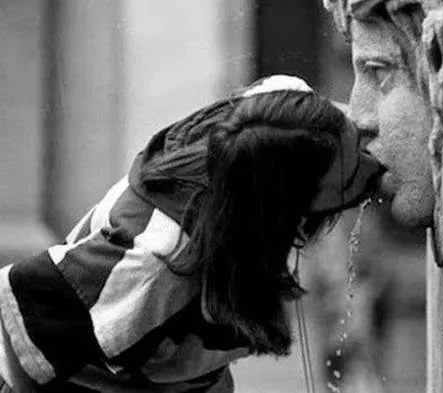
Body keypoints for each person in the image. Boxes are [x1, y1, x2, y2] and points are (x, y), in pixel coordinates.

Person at [0, 75, 383, 393]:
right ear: (285, 201)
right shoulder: (155, 264)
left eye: (355, 140)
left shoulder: (275, 109)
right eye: (350, 177)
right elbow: (12, 331)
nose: (373, 165)